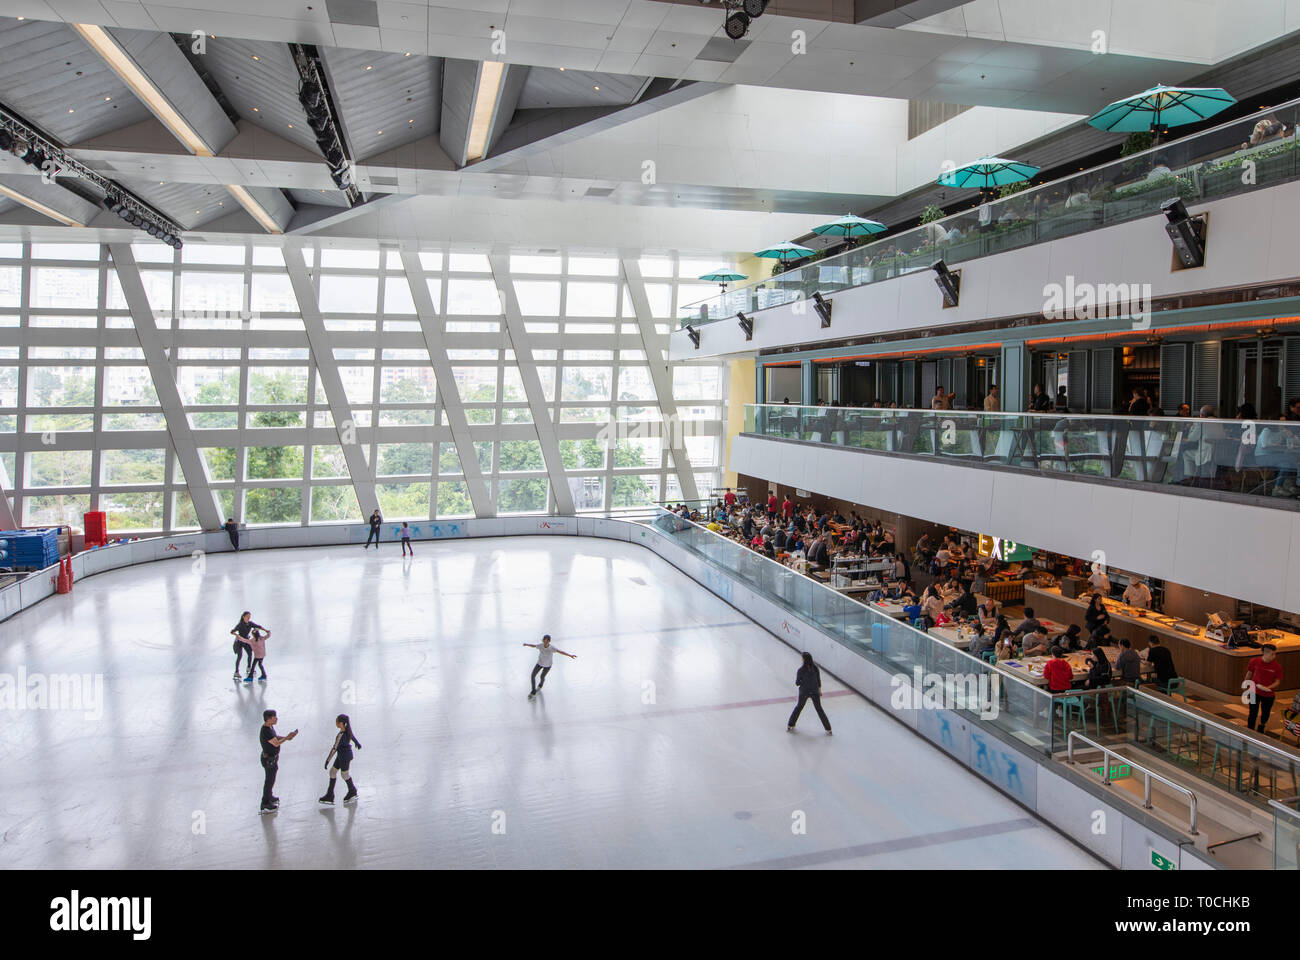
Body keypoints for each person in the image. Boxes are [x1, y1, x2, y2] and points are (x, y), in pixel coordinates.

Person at [259, 709, 297, 814]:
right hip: (268, 760)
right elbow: (275, 743)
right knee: (269, 780)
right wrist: (287, 738)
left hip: (273, 758)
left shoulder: (270, 727)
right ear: (268, 719)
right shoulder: (266, 731)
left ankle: (269, 796)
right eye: (274, 717)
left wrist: (286, 737)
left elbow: (275, 737)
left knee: (271, 779)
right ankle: (265, 802)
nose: (276, 718)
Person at [319, 714, 362, 804]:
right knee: (332, 772)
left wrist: (328, 760)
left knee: (344, 774)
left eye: (337, 721)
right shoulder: (346, 731)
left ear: (341, 723)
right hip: (341, 756)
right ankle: (330, 795)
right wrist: (357, 743)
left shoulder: (341, 735)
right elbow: (352, 736)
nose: (336, 723)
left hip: (344, 757)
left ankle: (352, 791)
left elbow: (335, 748)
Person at [786, 652, 832, 735]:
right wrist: (819, 690)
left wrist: (802, 681)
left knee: (799, 707)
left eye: (802, 658)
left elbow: (797, 683)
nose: (802, 659)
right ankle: (828, 728)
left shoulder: (801, 670)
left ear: (804, 659)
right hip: (814, 691)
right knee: (819, 709)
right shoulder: (815, 668)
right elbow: (818, 680)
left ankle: (790, 724)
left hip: (804, 692)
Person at [1245, 644, 1283, 733]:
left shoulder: (1277, 666)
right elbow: (1249, 673)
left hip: (1268, 694)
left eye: (1274, 654)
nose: (1274, 656)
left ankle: (1261, 726)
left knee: (1265, 712)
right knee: (1253, 712)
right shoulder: (1254, 661)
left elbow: (1277, 681)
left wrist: (1268, 687)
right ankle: (1250, 730)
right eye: (1271, 654)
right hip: (1254, 691)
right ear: (1264, 653)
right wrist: (1246, 685)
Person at [230, 611, 265, 680]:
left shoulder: (250, 623)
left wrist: (266, 630)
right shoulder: (240, 624)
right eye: (247, 616)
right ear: (243, 616)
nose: (249, 617)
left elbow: (258, 626)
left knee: (250, 653)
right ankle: (236, 672)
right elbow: (232, 631)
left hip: (246, 640)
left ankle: (249, 667)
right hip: (239, 641)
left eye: (249, 616)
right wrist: (236, 635)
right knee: (240, 655)